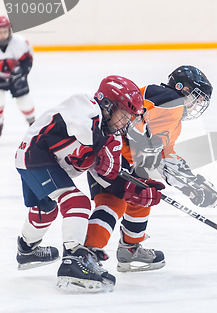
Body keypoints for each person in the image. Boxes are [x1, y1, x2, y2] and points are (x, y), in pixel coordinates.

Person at [15, 75, 163, 292]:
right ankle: (73, 259)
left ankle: (26, 250)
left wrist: (135, 188)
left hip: (42, 161)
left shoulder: (107, 136)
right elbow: (85, 130)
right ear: (107, 105)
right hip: (34, 156)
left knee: (45, 209)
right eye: (124, 115)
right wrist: (104, 150)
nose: (125, 124)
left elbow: (110, 176)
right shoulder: (86, 106)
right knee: (77, 202)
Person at [85, 65, 217, 272]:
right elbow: (134, 113)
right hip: (111, 153)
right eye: (197, 96)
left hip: (121, 159)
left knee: (143, 194)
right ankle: (85, 258)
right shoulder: (165, 98)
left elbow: (167, 157)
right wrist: (144, 143)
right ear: (182, 88)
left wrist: (193, 185)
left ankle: (128, 249)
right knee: (116, 202)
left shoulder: (175, 121)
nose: (198, 104)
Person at [0, 16, 36, 136]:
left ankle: (33, 123)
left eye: (5, 31)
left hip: (16, 77)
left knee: (25, 102)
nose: (2, 35)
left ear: (9, 30)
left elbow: (28, 61)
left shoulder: (19, 43)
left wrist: (22, 74)